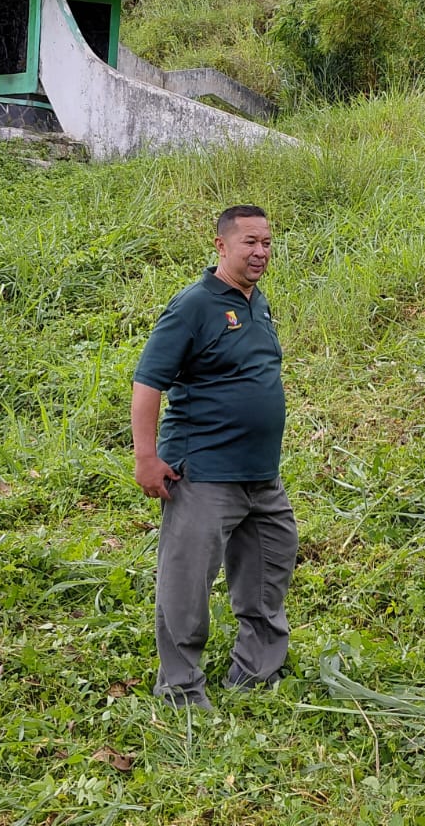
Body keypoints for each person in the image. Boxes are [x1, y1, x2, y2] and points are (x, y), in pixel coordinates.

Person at [130, 205, 297, 708]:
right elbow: (148, 382)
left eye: (267, 242)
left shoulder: (257, 303)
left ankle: (255, 673)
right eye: (250, 242)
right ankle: (180, 687)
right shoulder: (194, 305)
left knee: (270, 569)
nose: (261, 252)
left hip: (261, 475)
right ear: (221, 246)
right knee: (186, 584)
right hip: (204, 471)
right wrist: (145, 457)